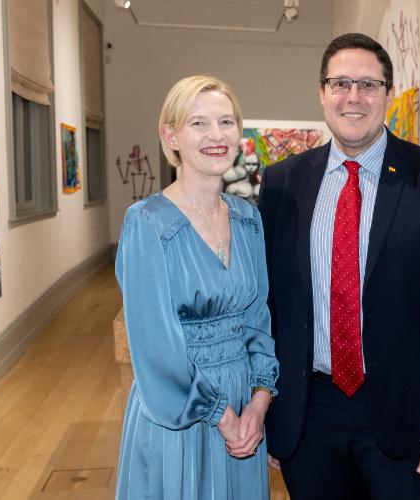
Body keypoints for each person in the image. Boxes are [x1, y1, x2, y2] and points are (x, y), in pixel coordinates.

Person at [258, 33, 420, 499]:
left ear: (387, 94)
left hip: (414, 421)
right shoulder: (283, 184)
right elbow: (268, 305)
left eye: (368, 84)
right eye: (341, 83)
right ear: (322, 92)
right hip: (310, 416)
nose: (353, 97)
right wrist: (272, 412)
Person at [115, 75, 278, 499]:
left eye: (226, 122)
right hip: (182, 410)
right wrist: (220, 415)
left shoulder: (248, 219)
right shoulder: (146, 223)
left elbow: (258, 319)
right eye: (198, 124)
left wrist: (258, 404)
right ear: (170, 135)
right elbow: (154, 347)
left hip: (244, 408)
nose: (216, 135)